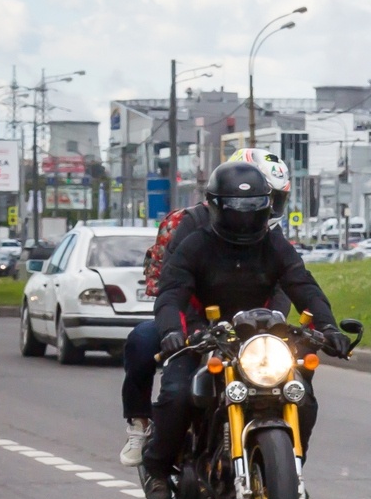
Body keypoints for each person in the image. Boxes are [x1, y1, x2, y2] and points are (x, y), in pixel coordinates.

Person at [139, 161, 344, 499]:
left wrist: (328, 327)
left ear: (266, 206)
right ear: (215, 206)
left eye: (253, 207)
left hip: (259, 336)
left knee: (301, 395)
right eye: (235, 207)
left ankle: (288, 472)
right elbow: (171, 293)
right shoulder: (195, 244)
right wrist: (173, 331)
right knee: (177, 393)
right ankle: (156, 467)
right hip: (202, 334)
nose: (244, 216)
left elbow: (303, 285)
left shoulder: (275, 244)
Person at [120, 149, 293, 466]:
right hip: (194, 323)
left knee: (297, 384)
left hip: (252, 331)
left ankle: (288, 466)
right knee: (145, 346)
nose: (256, 209)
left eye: (271, 199)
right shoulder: (188, 225)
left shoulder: (273, 236)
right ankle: (141, 427)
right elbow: (172, 285)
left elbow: (289, 283)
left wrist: (279, 322)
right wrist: (186, 329)